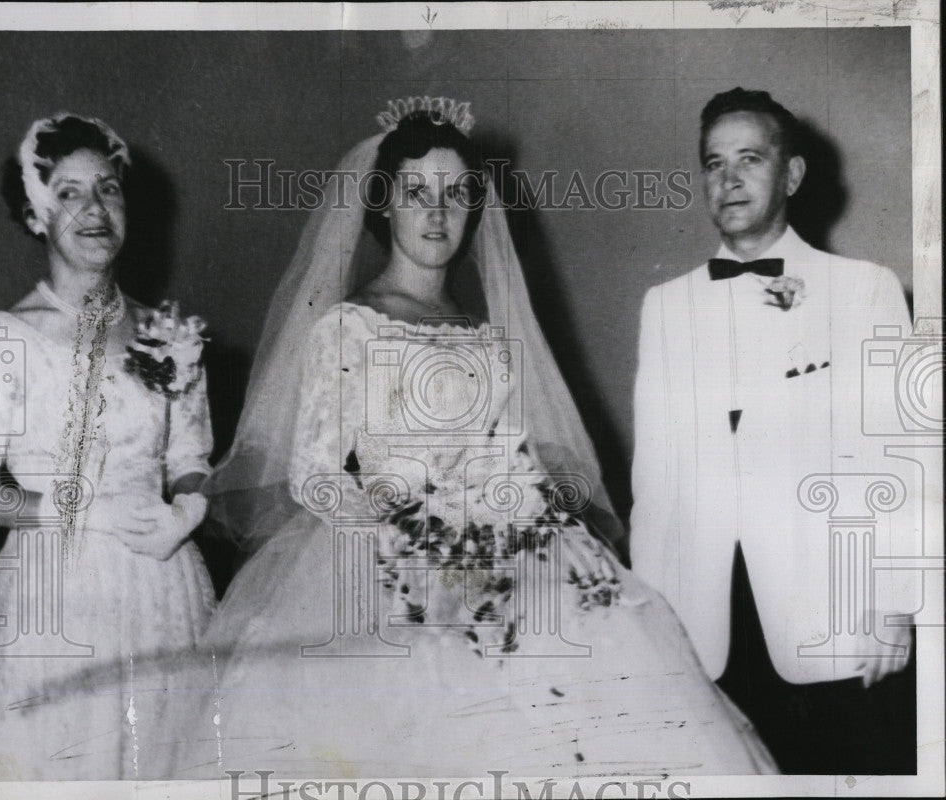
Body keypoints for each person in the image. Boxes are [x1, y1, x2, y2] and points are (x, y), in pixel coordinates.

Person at [166, 99, 777, 780]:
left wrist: (524, 519)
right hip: (384, 564)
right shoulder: (349, 326)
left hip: (505, 553)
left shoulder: (486, 335)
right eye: (417, 194)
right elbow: (315, 472)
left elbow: (510, 458)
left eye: (456, 195)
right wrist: (412, 537)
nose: (437, 214)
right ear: (384, 207)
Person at [629, 87, 917, 774]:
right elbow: (654, 487)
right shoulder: (665, 306)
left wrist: (896, 609)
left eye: (749, 159)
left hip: (832, 621)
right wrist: (650, 630)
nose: (727, 179)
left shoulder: (864, 288)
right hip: (705, 629)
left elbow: (902, 461)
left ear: (790, 176)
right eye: (713, 162)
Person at [0, 113, 217, 780]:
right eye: (69, 193)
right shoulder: (2, 339)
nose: (94, 208)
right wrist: (84, 514)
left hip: (163, 586)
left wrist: (186, 512)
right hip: (57, 592)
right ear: (34, 214)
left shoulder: (168, 332)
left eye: (107, 188)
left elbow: (190, 457)